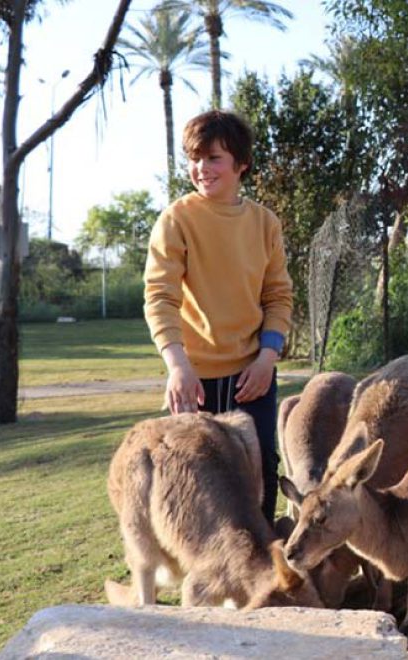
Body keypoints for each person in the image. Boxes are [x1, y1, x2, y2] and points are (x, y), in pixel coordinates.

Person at [143, 110, 293, 524]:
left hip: (252, 375)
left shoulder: (264, 223)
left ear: (241, 163)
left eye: (213, 158)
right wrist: (177, 367)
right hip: (193, 379)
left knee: (259, 469)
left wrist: (267, 358)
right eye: (195, 158)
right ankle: (207, 573)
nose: (201, 169)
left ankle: (260, 570)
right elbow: (159, 296)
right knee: (196, 480)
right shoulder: (177, 219)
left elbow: (278, 297)